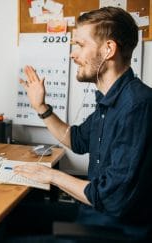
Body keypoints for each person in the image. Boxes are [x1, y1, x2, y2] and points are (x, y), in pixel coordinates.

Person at [15, 7, 152, 241]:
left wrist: (51, 176)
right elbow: (77, 140)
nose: (73, 54)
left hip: (117, 230)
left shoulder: (137, 106)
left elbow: (110, 197)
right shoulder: (110, 100)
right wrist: (41, 107)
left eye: (80, 45)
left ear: (108, 49)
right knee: (14, 218)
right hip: (95, 214)